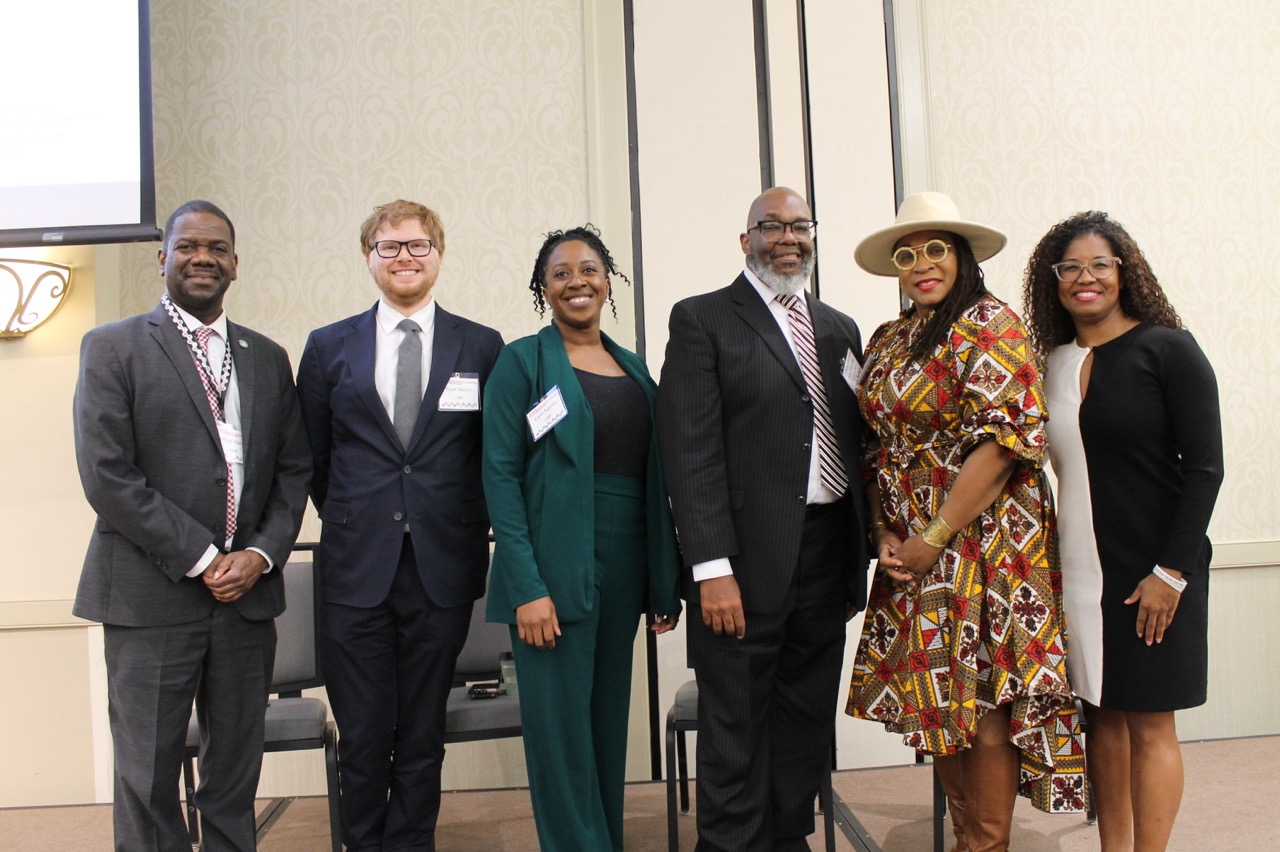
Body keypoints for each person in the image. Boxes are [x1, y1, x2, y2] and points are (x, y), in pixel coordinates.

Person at [844, 192, 1086, 852]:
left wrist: (934, 535)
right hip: (912, 547)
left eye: (935, 250)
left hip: (985, 538)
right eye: (907, 254)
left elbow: (1005, 444)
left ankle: (986, 844)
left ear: (962, 257)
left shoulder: (990, 324)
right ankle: (968, 839)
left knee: (983, 702)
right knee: (937, 698)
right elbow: (874, 446)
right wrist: (884, 532)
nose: (921, 264)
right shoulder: (889, 339)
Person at [72, 200, 311, 851]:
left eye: (216, 248)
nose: (202, 257)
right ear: (162, 259)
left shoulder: (266, 358)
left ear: (235, 264)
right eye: (187, 246)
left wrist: (261, 554)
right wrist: (205, 558)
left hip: (246, 603)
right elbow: (108, 476)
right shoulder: (113, 347)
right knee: (147, 777)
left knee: (234, 776)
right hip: (151, 599)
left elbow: (294, 471)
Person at [657, 187, 870, 851]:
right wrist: (710, 568)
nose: (788, 239)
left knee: (804, 719)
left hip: (825, 555)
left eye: (800, 226)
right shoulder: (702, 319)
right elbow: (689, 452)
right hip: (741, 562)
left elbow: (855, 443)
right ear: (745, 239)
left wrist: (859, 553)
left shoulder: (839, 328)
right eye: (771, 226)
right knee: (737, 725)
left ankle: (784, 839)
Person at [296, 199, 504, 851]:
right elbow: (313, 458)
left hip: (443, 567)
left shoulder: (481, 345)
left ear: (438, 255)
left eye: (417, 245)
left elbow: (491, 455)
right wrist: (362, 518)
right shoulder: (328, 346)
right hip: (355, 568)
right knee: (362, 735)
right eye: (389, 247)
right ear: (369, 258)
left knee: (421, 734)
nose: (404, 257)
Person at [1023, 210, 1223, 851]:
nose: (1085, 278)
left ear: (1124, 272)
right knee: (1101, 719)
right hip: (1081, 572)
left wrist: (1172, 572)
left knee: (1150, 725)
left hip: (1156, 571)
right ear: (1054, 280)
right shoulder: (1052, 363)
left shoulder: (1169, 349)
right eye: (1070, 268)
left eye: (1099, 265)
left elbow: (1206, 470)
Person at [481, 225, 681, 851]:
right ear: (543, 288)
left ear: (607, 282)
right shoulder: (522, 362)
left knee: (604, 725)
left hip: (624, 565)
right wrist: (526, 587)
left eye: (589, 269)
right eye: (561, 272)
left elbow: (654, 478)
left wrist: (662, 579)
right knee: (559, 731)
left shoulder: (634, 367)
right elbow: (500, 477)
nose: (577, 281)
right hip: (552, 564)